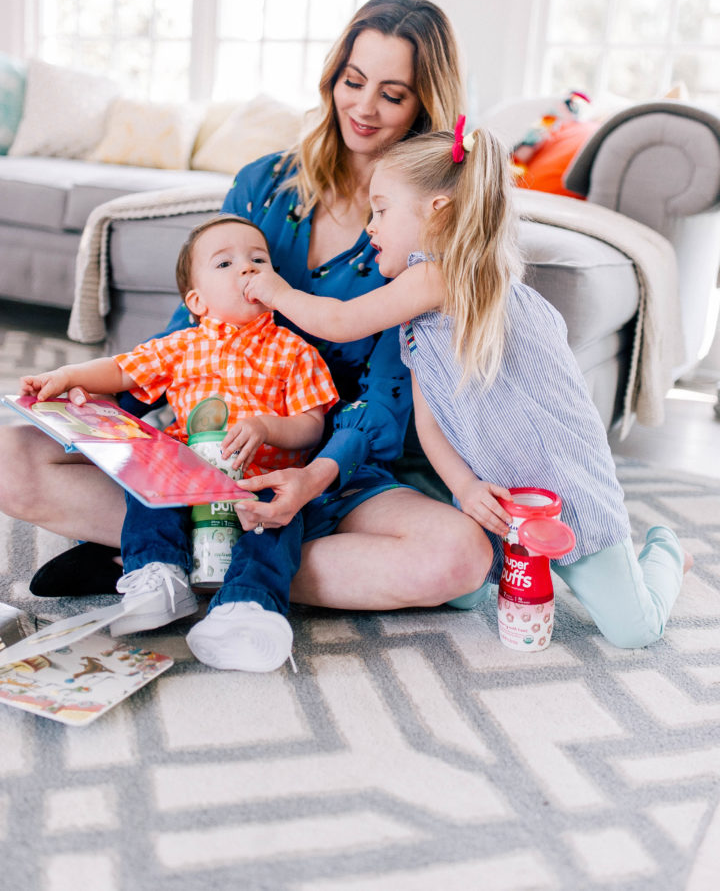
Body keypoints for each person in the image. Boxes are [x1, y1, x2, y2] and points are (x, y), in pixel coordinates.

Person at [0, 0, 495, 613]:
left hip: (329, 469)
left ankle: (167, 556)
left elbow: (388, 399)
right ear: (333, 78)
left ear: (426, 106)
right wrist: (97, 396)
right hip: (207, 450)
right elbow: (193, 328)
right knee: (12, 457)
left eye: (392, 95)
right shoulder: (263, 183)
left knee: (461, 557)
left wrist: (311, 475)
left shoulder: (426, 226)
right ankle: (235, 561)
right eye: (353, 81)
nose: (363, 109)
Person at [243, 121, 691, 649]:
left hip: (563, 492)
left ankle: (664, 552)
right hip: (497, 502)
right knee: (462, 591)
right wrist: (464, 488)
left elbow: (340, 321)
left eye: (382, 210)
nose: (370, 227)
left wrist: (275, 289)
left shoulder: (445, 277)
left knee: (634, 631)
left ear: (437, 212)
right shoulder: (417, 320)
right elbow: (432, 425)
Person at [19, 214, 338, 671]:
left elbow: (312, 425)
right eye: (225, 264)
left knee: (276, 527)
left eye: (258, 260)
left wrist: (268, 427)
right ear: (197, 301)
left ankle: (246, 608)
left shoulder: (294, 350)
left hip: (260, 478)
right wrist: (68, 375)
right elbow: (121, 370)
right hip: (190, 474)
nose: (247, 269)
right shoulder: (183, 345)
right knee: (150, 480)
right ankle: (159, 575)